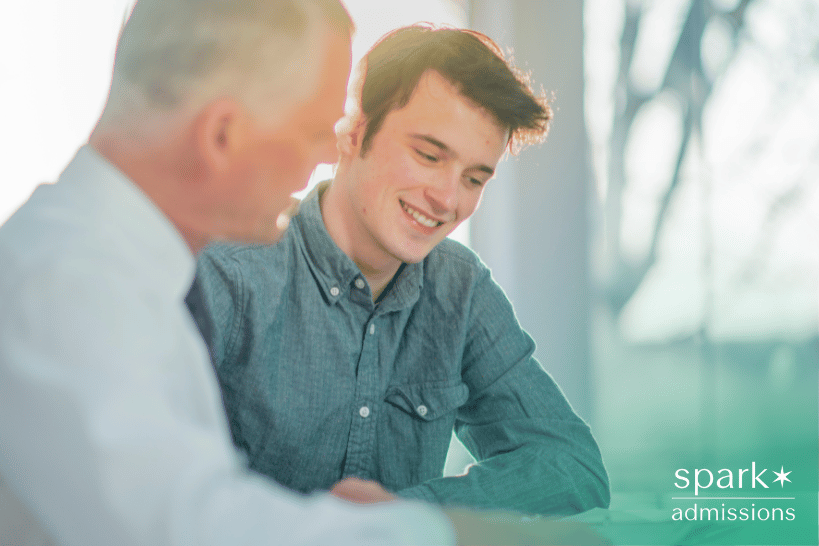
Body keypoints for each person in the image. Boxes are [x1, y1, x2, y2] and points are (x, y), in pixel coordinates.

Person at [0, 2, 466, 544]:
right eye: (315, 132)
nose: (328, 156)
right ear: (222, 136)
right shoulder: (65, 284)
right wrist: (430, 532)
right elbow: (186, 528)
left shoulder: (114, 272)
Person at [191, 24, 611, 516]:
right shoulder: (229, 269)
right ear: (353, 132)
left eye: (474, 178)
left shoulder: (460, 289)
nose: (448, 200)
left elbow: (572, 467)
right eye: (429, 156)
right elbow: (156, 486)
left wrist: (401, 512)